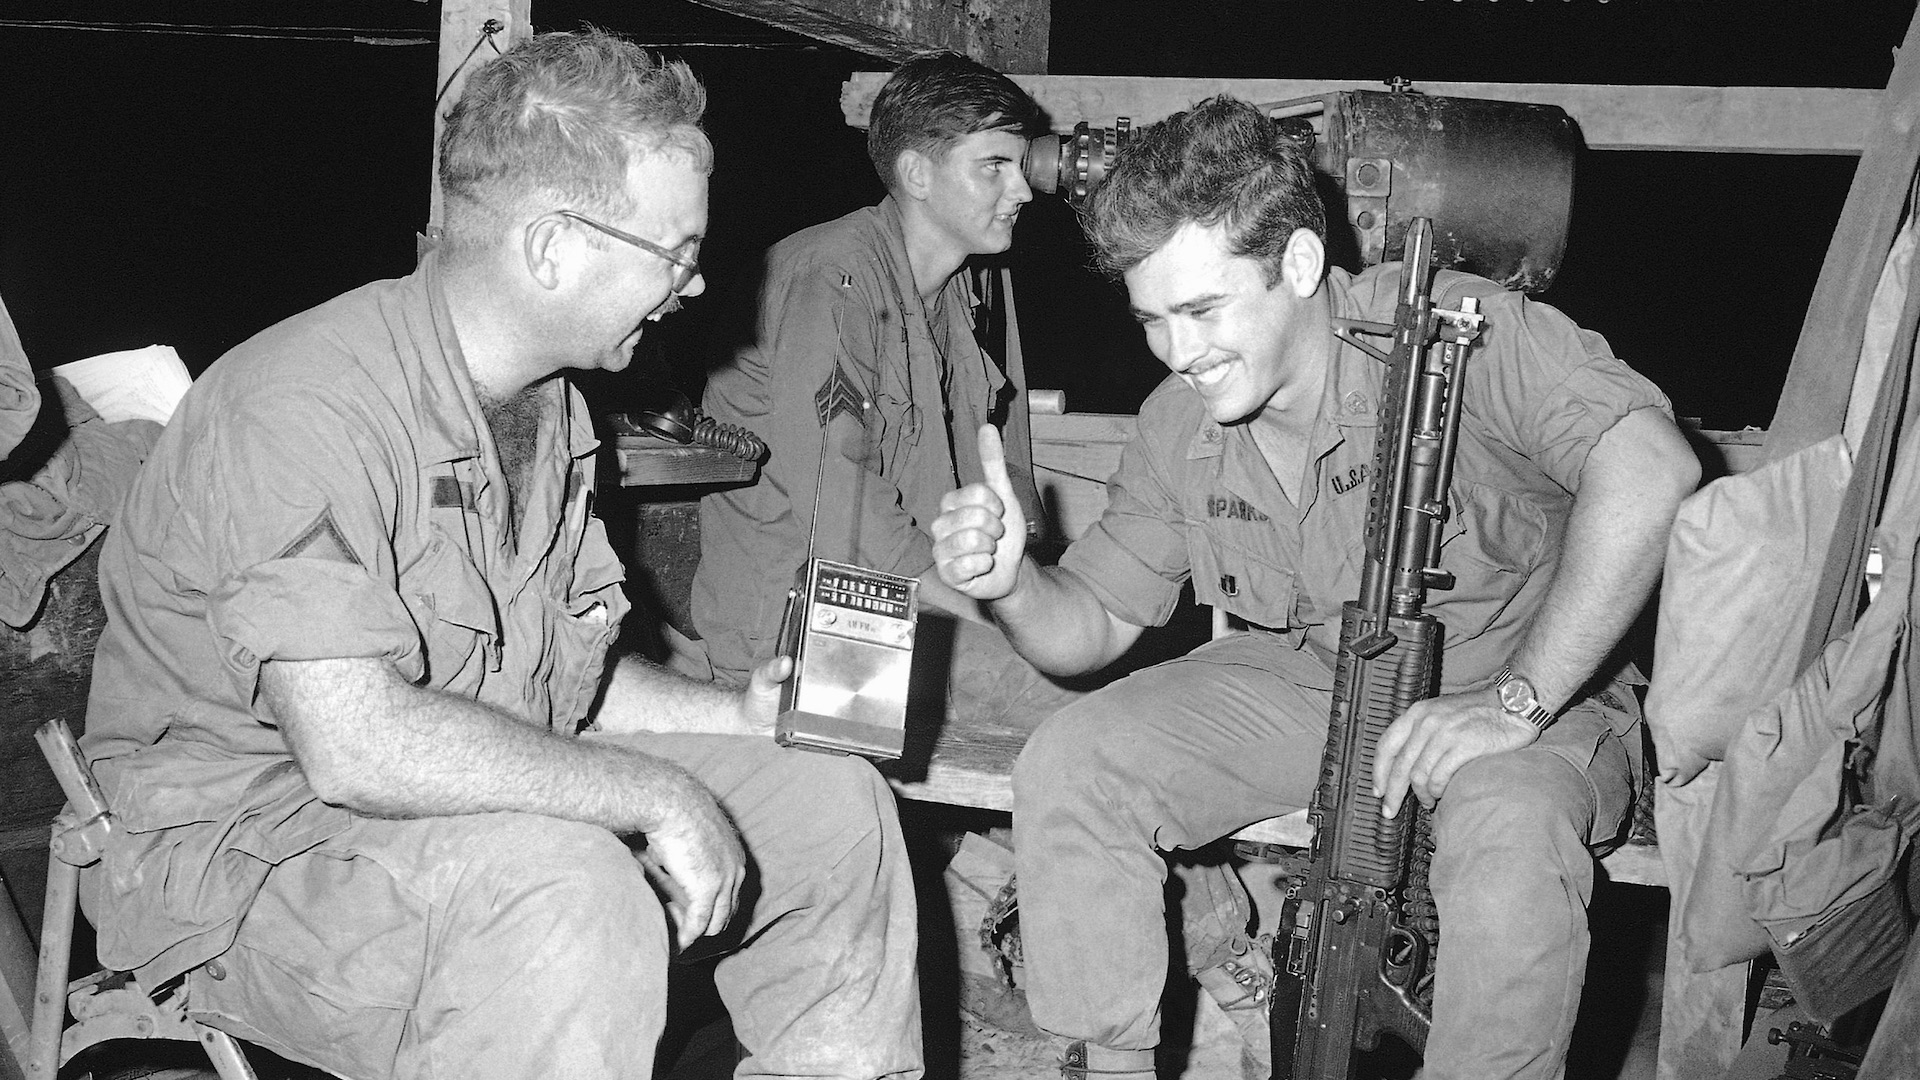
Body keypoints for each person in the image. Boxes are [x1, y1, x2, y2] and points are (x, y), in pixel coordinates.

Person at [80, 29, 921, 1080]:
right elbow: (356, 745)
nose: (696, 286)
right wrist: (653, 794)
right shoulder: (301, 407)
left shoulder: (547, 410)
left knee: (830, 803)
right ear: (553, 248)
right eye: (677, 253)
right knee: (571, 888)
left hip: (442, 816)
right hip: (259, 863)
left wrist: (737, 720)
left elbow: (554, 685)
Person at [930, 95, 1701, 1080]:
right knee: (1073, 763)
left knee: (1508, 831)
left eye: (1204, 310)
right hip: (1323, 679)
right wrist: (1010, 585)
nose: (1177, 352)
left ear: (1297, 263)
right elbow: (1090, 625)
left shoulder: (1454, 332)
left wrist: (1515, 703)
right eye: (1153, 319)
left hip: (1530, 686)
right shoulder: (1185, 421)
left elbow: (1652, 472)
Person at [692, 52, 1074, 735]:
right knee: (1067, 713)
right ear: (918, 173)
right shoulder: (831, 277)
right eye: (994, 165)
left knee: (1086, 684)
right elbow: (842, 505)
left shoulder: (963, 295)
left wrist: (1024, 594)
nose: (1021, 189)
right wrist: (992, 613)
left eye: (1020, 165)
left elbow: (991, 467)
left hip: (913, 599)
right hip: (809, 629)